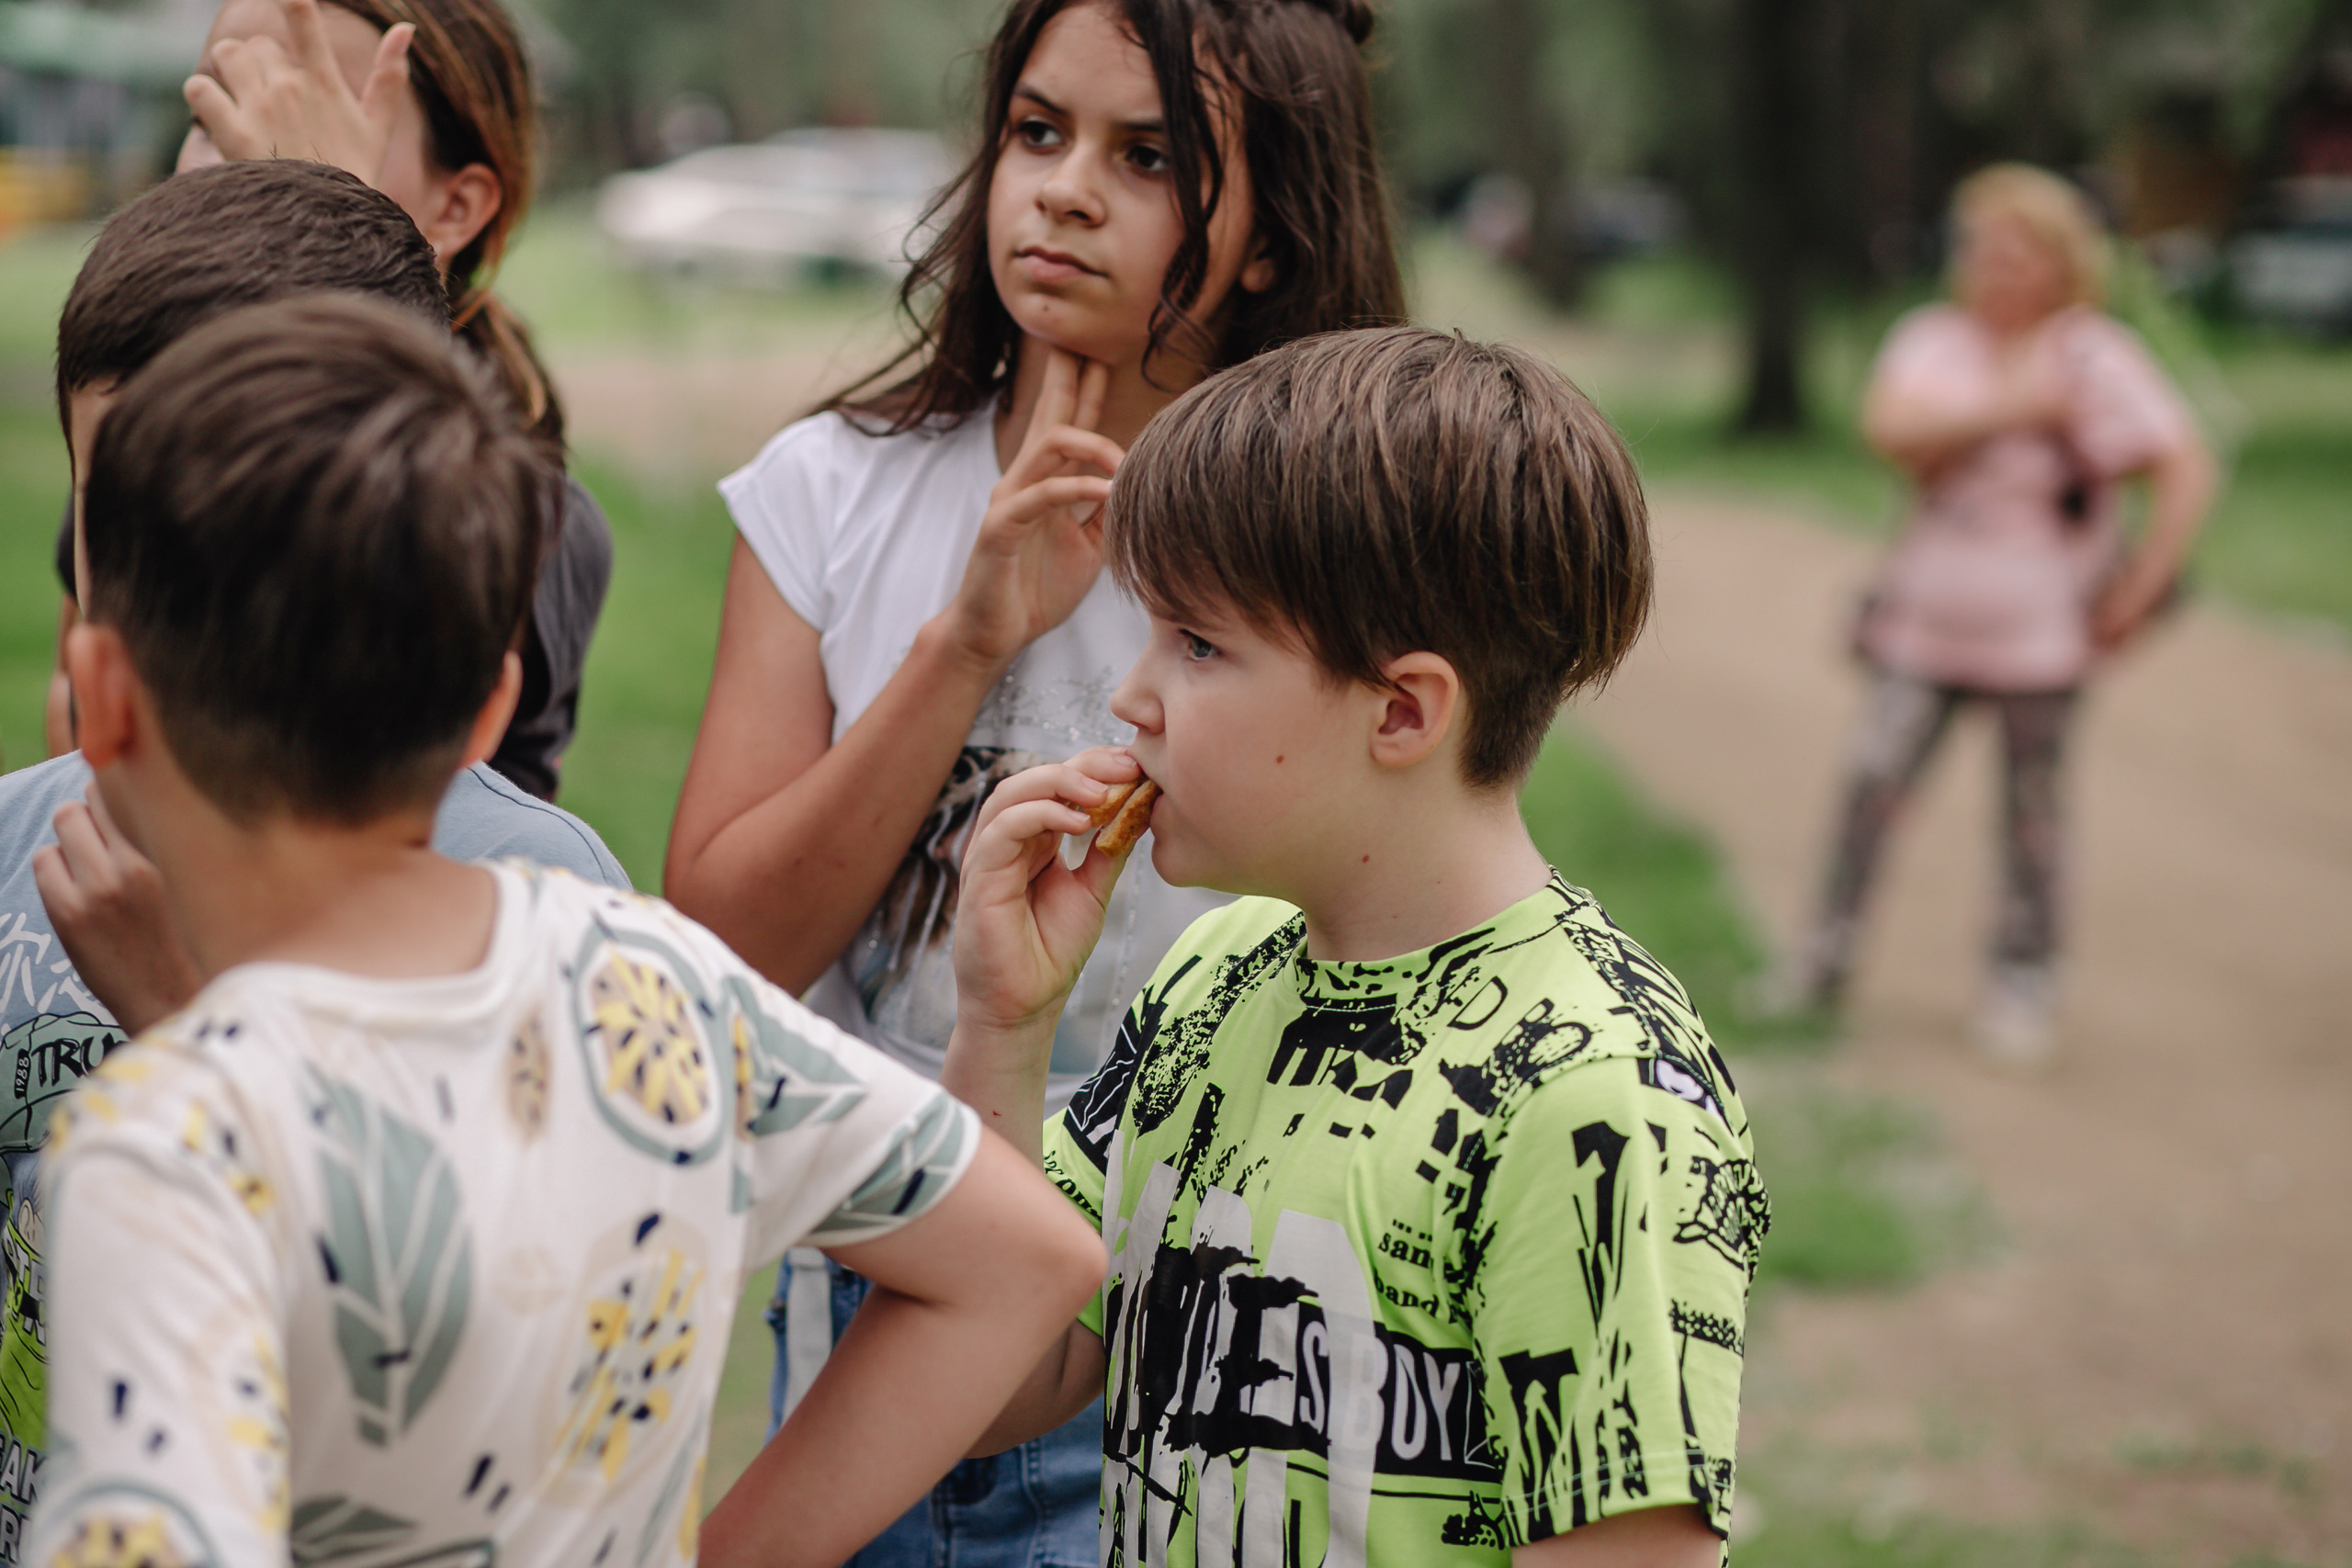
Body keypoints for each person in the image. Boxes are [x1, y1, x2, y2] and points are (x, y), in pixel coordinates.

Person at [22, 293, 1105, 1568]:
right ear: (490, 704)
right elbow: (1027, 1256)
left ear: (99, 698)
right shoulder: (652, 986)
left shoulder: (170, 1142)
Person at [665, 0, 1404, 1558]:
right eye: (1036, 131)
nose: (1063, 190)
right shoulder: (833, 494)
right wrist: (967, 641)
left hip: (1219, 1303)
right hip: (896, 1280)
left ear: (1272, 241)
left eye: (1147, 158)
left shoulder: (1335, 550)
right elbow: (727, 952)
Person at [903, 327, 1768, 1568]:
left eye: (1197, 645)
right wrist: (1002, 1022)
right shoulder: (1213, 977)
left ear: (1403, 709)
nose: (1132, 696)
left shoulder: (1594, 1095)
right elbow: (994, 1385)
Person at [0, 161, 634, 1561]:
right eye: (116, 505)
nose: (160, 580)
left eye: (229, 513)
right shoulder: (13, 840)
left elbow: (513, 1341)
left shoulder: (535, 897)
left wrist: (185, 1016)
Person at [41, 0, 610, 803]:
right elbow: (82, 711)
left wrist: (314, 230)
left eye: (309, 108)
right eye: (218, 106)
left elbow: (346, 743)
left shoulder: (522, 502)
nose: (240, 157)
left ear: (458, 205)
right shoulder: (133, 422)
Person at [1787, 164, 2216, 1062]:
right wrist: (2014, 406)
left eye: (2017, 252)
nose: (1995, 269)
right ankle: (1821, 959)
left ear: (2062, 263)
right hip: (1921, 621)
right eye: (1982, 249)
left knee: (2031, 817)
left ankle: (2022, 982)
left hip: (2042, 637)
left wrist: (2140, 587)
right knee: (1872, 782)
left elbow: (2184, 463)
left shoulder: (2094, 354)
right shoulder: (1931, 340)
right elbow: (1887, 429)